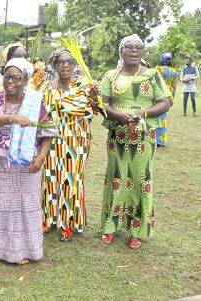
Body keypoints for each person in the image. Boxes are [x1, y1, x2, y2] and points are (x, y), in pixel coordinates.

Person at [0, 58, 56, 265]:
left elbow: (47, 130)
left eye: (16, 77)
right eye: (7, 76)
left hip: (27, 160)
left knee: (24, 204)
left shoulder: (35, 101)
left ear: (26, 79)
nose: (10, 81)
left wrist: (41, 156)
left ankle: (21, 250)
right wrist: (11, 118)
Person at [99, 34, 170, 249]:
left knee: (140, 179)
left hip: (143, 136)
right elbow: (103, 105)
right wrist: (118, 116)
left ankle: (137, 231)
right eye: (128, 47)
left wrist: (145, 112)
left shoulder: (152, 75)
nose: (133, 50)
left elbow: (165, 102)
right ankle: (111, 227)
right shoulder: (111, 75)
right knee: (116, 176)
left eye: (138, 47)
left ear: (142, 52)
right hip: (117, 136)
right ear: (121, 52)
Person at [40, 50, 101, 242]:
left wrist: (92, 99)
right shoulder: (46, 88)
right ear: (54, 66)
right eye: (61, 62)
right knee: (49, 178)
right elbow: (41, 112)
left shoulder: (83, 87)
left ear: (74, 65)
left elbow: (92, 110)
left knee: (70, 181)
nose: (65, 65)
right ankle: (49, 219)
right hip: (50, 141)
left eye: (69, 62)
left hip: (75, 141)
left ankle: (68, 223)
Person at [155, 52, 177, 146]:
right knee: (163, 117)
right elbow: (174, 86)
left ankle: (155, 139)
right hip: (168, 95)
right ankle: (161, 141)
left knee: (155, 116)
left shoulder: (158, 69)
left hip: (158, 93)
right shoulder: (174, 71)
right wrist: (171, 99)